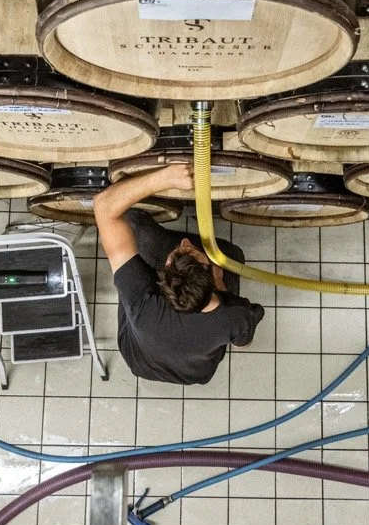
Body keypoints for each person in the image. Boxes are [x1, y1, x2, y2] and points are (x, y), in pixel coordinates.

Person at [93, 162, 266, 385]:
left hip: (140, 360)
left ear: (162, 278)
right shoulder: (234, 316)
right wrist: (222, 288)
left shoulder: (143, 303)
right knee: (232, 254)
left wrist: (165, 178)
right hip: (195, 373)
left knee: (133, 223)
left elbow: (103, 205)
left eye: (181, 252)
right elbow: (243, 344)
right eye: (189, 249)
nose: (185, 242)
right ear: (212, 274)